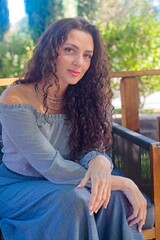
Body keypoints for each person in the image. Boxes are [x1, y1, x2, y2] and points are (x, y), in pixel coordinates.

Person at [0, 17, 154, 240]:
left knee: (117, 198)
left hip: (70, 181)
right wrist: (125, 182)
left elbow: (94, 143)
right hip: (20, 187)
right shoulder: (15, 99)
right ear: (50, 51)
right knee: (77, 200)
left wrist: (98, 159)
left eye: (87, 55)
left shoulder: (81, 96)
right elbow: (50, 165)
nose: (79, 63)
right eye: (70, 50)